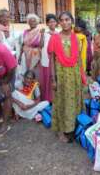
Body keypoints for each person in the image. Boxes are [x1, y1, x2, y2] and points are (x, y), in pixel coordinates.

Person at [48, 11, 83, 143]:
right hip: (61, 76)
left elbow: (79, 59)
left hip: (74, 75)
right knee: (61, 102)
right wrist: (53, 79)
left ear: (72, 21)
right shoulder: (55, 38)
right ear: (59, 23)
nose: (64, 22)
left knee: (73, 101)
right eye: (61, 20)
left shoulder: (77, 38)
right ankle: (61, 131)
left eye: (67, 19)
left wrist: (82, 77)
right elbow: (52, 59)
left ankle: (73, 128)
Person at [19, 14, 44, 80]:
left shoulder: (40, 31)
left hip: (35, 55)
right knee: (26, 72)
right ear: (28, 22)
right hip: (25, 55)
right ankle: (27, 88)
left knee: (34, 72)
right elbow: (23, 44)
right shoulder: (25, 32)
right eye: (30, 21)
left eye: (34, 21)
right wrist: (19, 57)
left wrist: (42, 35)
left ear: (37, 22)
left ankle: (35, 88)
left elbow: (41, 45)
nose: (32, 22)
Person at [40, 14, 58, 102]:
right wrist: (42, 35)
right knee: (47, 79)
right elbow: (41, 45)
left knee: (55, 77)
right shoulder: (45, 33)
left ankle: (56, 97)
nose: (52, 23)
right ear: (47, 23)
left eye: (54, 21)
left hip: (56, 59)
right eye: (50, 22)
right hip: (46, 59)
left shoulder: (59, 32)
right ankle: (48, 98)